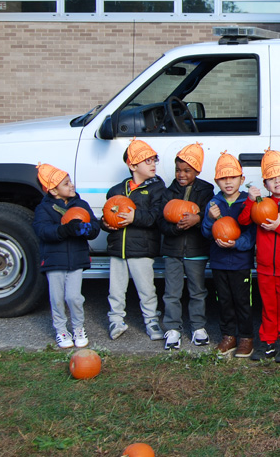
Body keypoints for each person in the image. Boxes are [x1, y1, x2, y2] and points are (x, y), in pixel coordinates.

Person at [239, 149, 280, 363]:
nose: (278, 182)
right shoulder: (261, 204)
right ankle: (268, 342)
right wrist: (250, 200)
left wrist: (279, 227)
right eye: (272, 179)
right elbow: (244, 221)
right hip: (264, 267)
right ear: (266, 185)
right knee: (268, 306)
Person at [103, 139, 166, 342]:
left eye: (153, 160)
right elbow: (107, 214)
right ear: (132, 166)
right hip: (117, 250)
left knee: (146, 289)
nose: (153, 164)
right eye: (147, 161)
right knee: (116, 289)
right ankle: (116, 319)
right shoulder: (116, 191)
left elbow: (156, 216)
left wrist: (134, 217)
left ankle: (151, 320)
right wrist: (105, 224)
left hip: (142, 249)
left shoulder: (157, 189)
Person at [33, 163, 100, 349]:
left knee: (74, 297)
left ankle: (78, 327)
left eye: (70, 181)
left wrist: (87, 229)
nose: (72, 185)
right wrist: (64, 230)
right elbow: (42, 230)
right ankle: (61, 329)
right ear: (54, 190)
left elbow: (94, 225)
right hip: (54, 261)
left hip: (76, 260)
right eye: (66, 183)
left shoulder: (81, 204)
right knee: (57, 298)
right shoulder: (44, 209)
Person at [160, 143, 214, 350]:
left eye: (187, 171)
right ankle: (173, 328)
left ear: (197, 171)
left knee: (197, 291)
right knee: (172, 292)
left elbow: (210, 214)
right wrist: (177, 228)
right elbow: (162, 222)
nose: (181, 174)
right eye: (178, 170)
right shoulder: (169, 192)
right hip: (172, 250)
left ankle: (198, 327)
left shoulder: (206, 190)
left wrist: (197, 219)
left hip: (196, 250)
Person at [202, 152, 256, 359]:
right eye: (223, 178)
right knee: (224, 300)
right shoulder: (213, 204)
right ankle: (228, 336)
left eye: (232, 177)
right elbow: (206, 233)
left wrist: (237, 244)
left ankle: (245, 337)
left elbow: (251, 235)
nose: (228, 182)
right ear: (217, 181)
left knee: (242, 300)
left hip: (240, 262)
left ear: (241, 179)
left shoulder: (247, 202)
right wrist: (209, 218)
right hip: (218, 262)